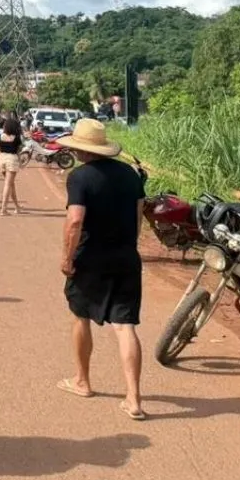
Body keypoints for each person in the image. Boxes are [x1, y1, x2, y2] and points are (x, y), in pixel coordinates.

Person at [54, 119, 148, 421]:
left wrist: (68, 258)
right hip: (125, 256)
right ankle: (133, 398)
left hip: (91, 259)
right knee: (125, 326)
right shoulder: (131, 175)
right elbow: (138, 215)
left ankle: (82, 381)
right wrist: (129, 246)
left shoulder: (79, 178)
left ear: (83, 150)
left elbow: (75, 221)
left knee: (80, 316)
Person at [0, 119, 24, 215]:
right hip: (12, 159)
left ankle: (17, 207)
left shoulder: (0, 137)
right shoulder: (16, 138)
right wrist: (21, 163)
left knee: (11, 184)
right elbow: (18, 151)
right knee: (8, 184)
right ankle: (3, 209)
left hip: (2, 158)